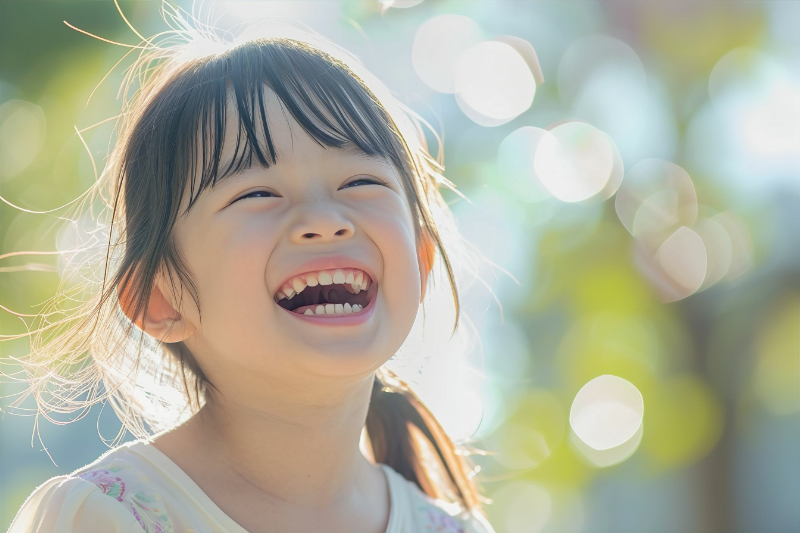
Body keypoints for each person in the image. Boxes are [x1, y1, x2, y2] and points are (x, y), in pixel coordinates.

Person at [6, 11, 495, 533]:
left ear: (419, 261)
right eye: (257, 194)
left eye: (359, 182)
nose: (325, 222)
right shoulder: (109, 518)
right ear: (159, 301)